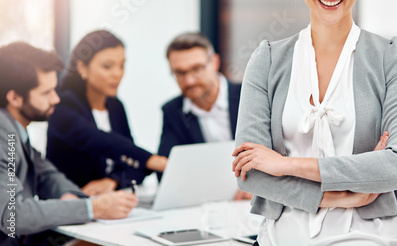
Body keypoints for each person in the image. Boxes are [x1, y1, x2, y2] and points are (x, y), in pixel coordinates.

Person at [232, 0, 397, 245]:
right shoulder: (267, 60)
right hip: (282, 238)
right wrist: (345, 196)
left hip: (370, 238)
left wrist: (287, 165)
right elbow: (251, 172)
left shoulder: (390, 57)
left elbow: (396, 167)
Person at [0, 42, 137, 246]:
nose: (56, 99)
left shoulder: (15, 130)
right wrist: (93, 208)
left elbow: (46, 175)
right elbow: (14, 215)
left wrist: (72, 197)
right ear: (15, 98)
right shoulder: (4, 135)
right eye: (46, 93)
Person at [47, 30, 167, 196]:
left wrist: (113, 181)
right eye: (107, 66)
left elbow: (135, 165)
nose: (118, 74)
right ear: (83, 68)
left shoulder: (115, 106)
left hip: (111, 206)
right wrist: (151, 159)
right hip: (73, 202)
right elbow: (100, 141)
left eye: (122, 65)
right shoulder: (62, 105)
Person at [158, 32, 250, 200]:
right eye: (179, 73)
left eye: (196, 69)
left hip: (251, 201)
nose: (189, 81)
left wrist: (259, 186)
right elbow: (165, 173)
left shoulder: (249, 95)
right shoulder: (173, 111)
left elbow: (279, 151)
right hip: (206, 203)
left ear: (214, 62)